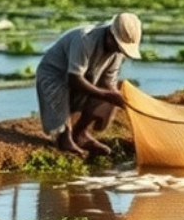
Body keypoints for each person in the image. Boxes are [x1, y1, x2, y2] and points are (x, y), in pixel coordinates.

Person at [35, 12, 141, 157]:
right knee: (101, 94)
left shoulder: (117, 53)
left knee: (111, 93)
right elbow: (74, 78)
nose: (118, 50)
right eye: (117, 45)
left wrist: (117, 98)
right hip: (55, 75)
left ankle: (80, 133)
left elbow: (108, 83)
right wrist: (105, 94)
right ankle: (64, 138)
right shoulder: (85, 39)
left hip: (86, 76)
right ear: (110, 34)